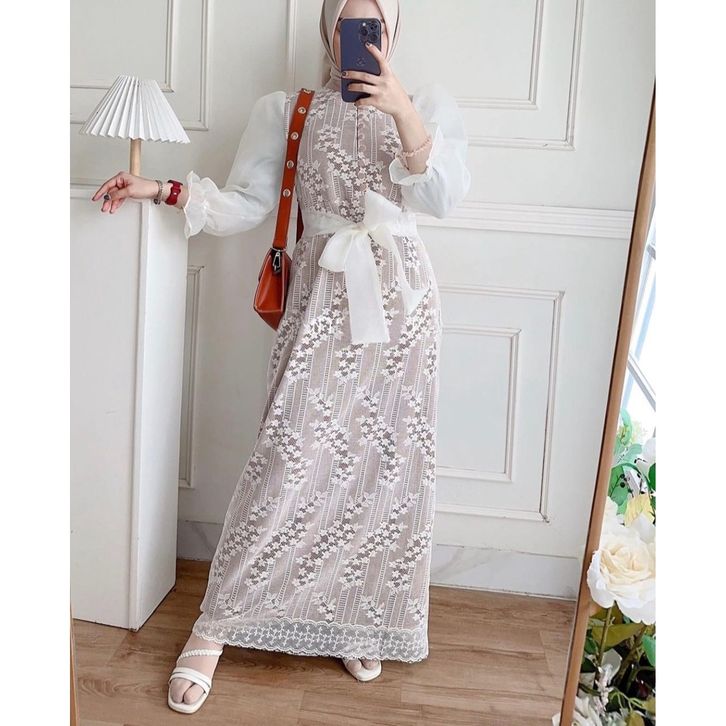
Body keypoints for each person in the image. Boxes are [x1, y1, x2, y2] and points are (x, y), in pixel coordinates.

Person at [92, 0, 470, 714]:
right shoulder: (288, 111)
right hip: (322, 297)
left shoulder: (427, 104)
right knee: (288, 456)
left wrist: (401, 111)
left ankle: (357, 617)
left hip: (403, 311)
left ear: (394, 31)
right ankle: (214, 626)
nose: (362, 37)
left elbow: (446, 197)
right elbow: (245, 203)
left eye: (375, 24)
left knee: (382, 468)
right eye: (349, 22)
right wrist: (162, 189)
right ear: (327, 28)